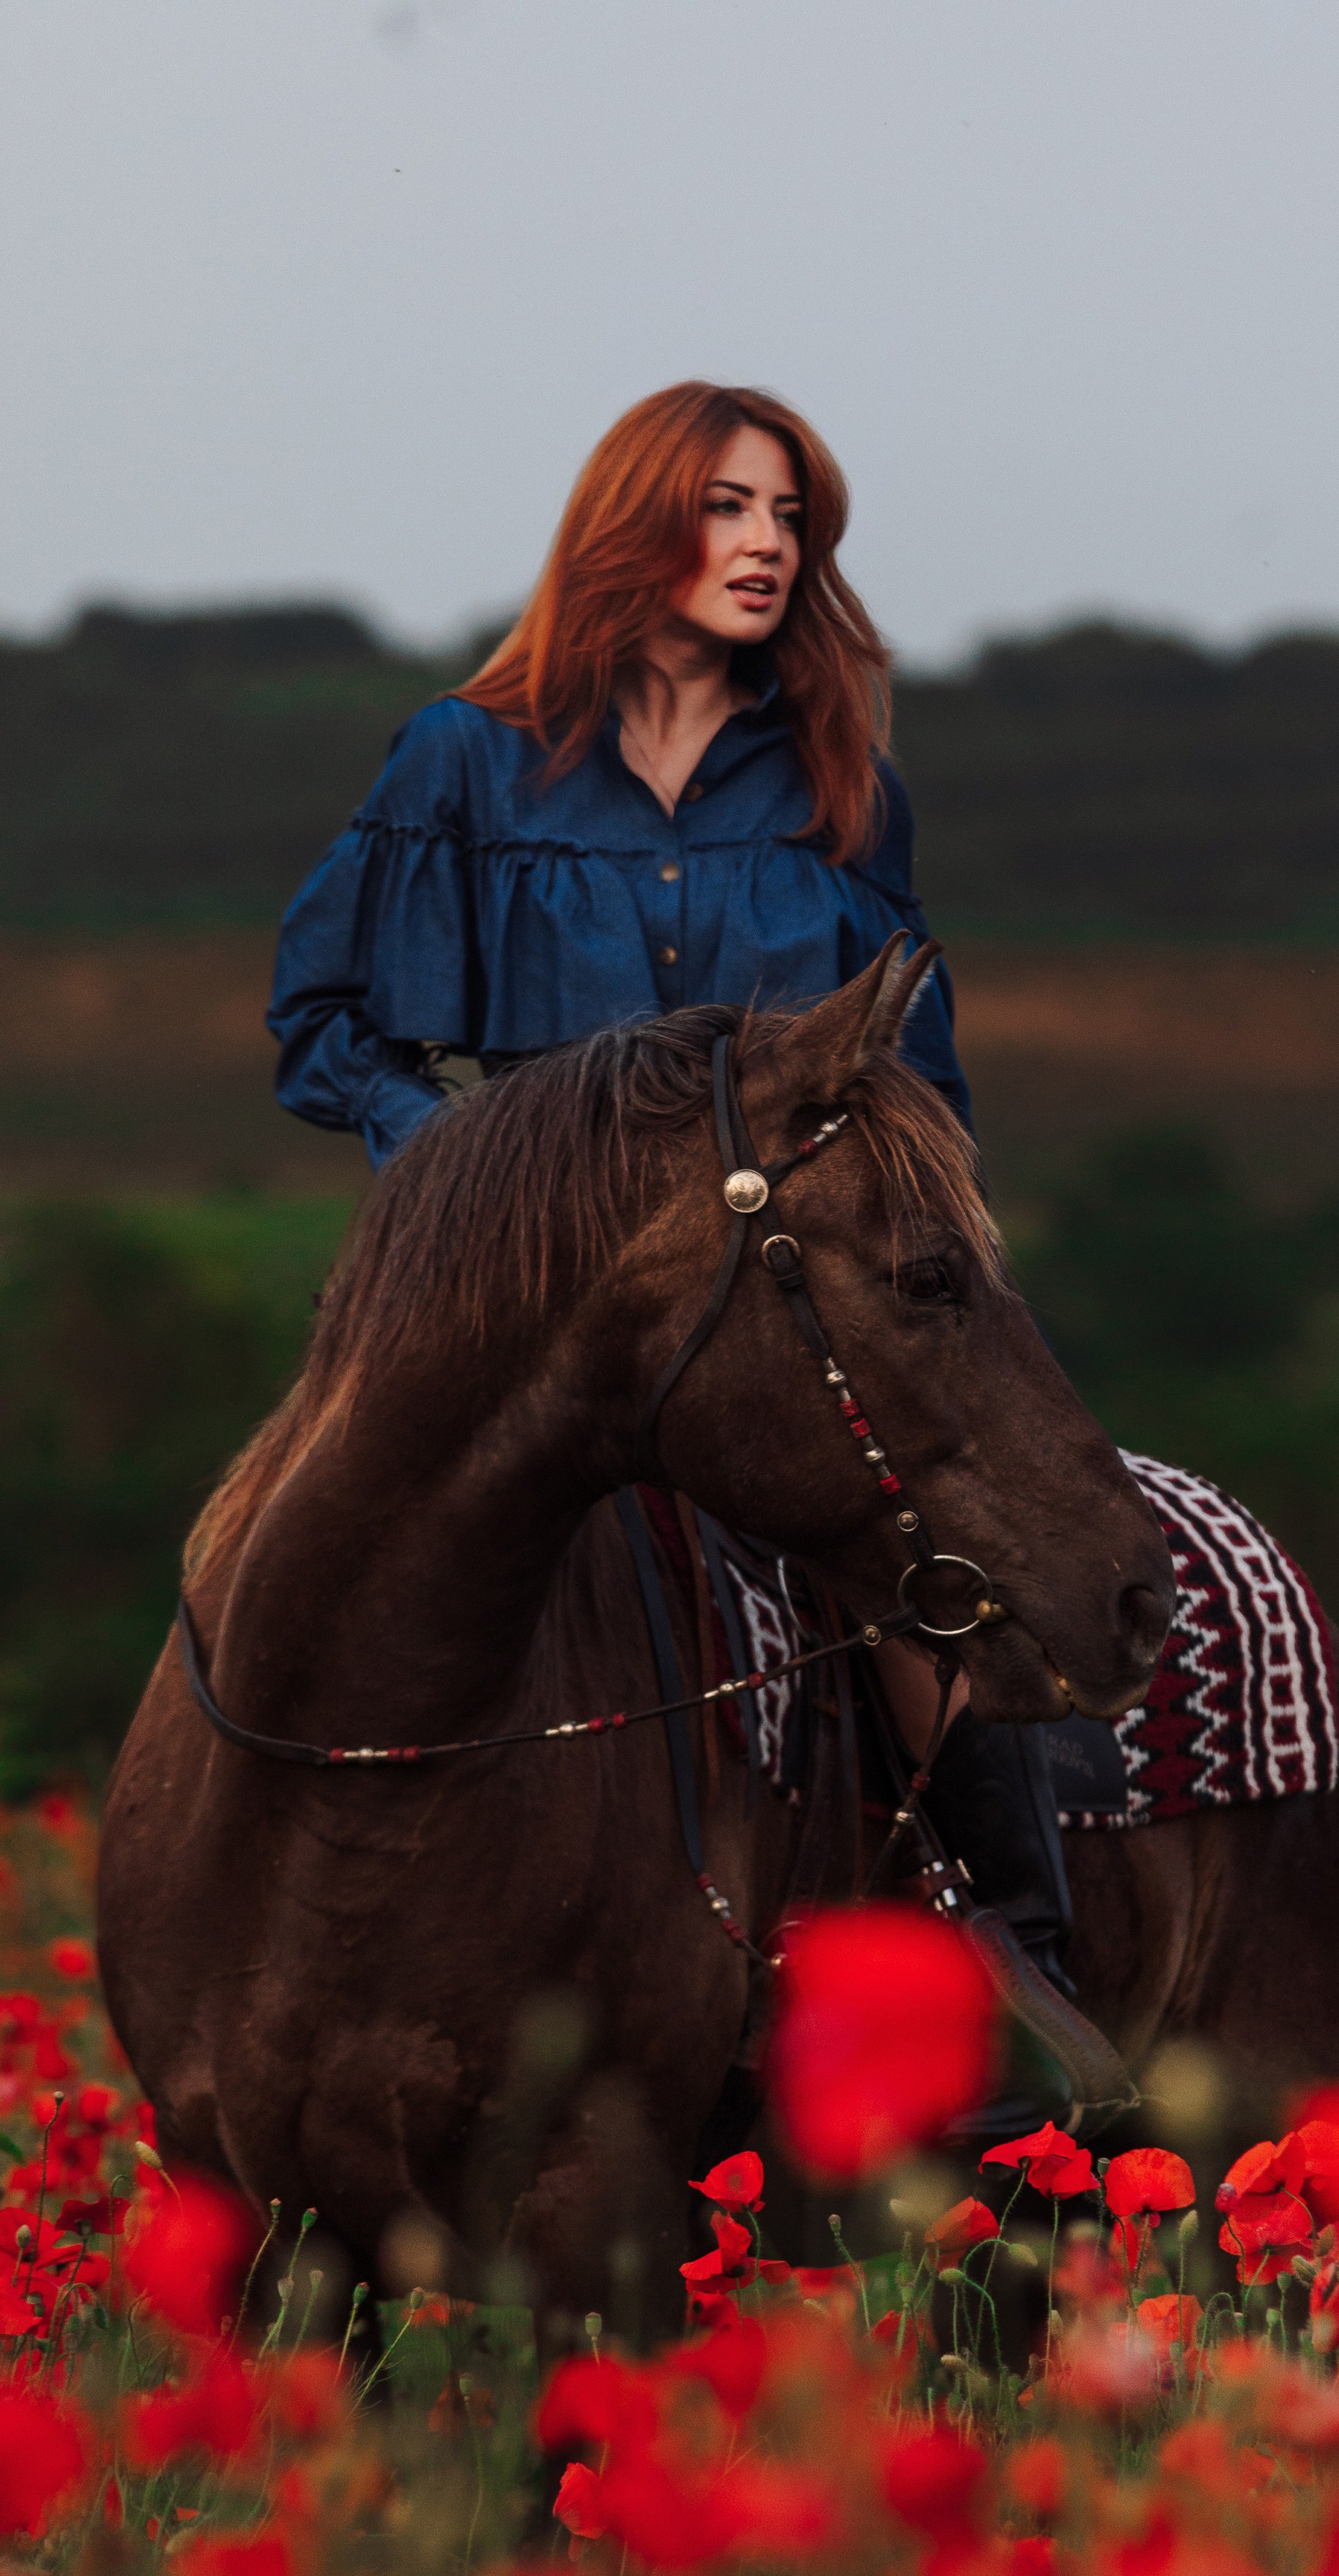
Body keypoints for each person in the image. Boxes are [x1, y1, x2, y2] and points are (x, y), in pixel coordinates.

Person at [268, 380, 1075, 1997]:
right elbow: (322, 1024)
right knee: (315, 1549)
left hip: (778, 1303)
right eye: (729, 507)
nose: (767, 545)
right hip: (532, 1309)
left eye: (790, 518)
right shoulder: (462, 766)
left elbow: (920, 1076)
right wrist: (459, 1167)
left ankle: (1024, 1967)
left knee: (938, 1572)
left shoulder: (844, 788)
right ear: (633, 523)